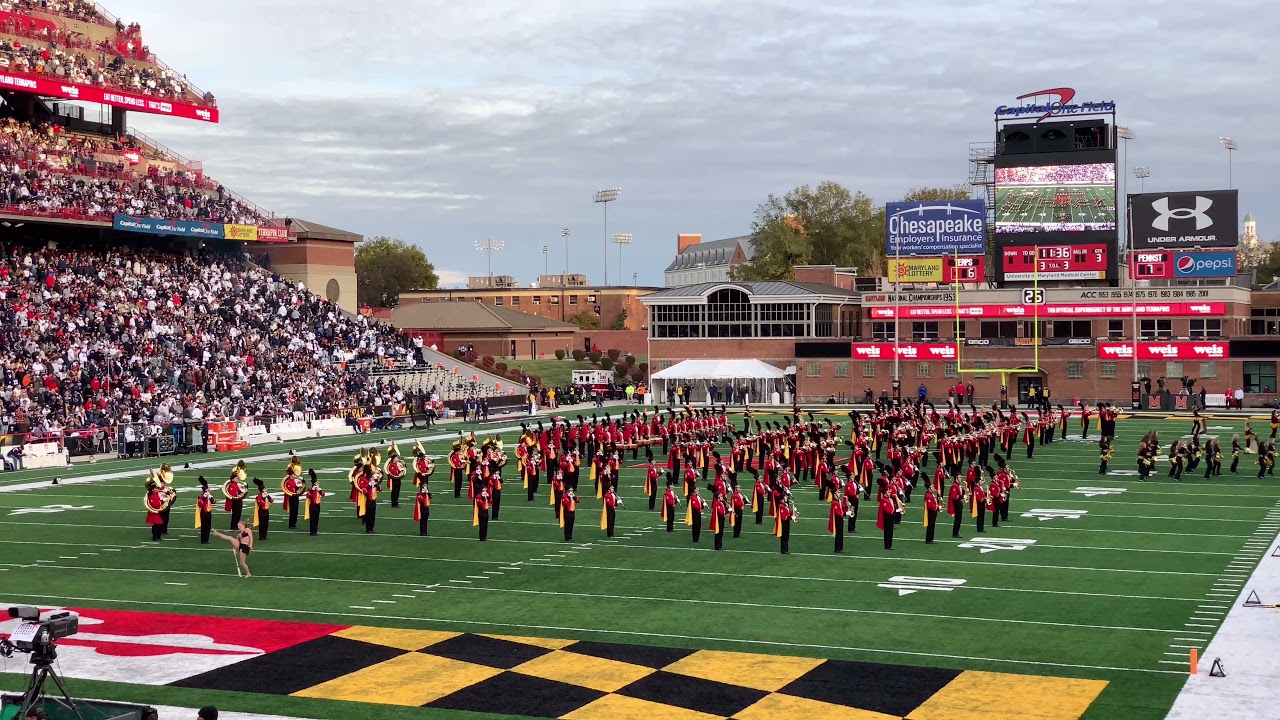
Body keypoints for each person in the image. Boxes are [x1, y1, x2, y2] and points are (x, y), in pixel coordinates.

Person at [305, 469, 326, 536]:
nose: (318, 484)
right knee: (312, 519)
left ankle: (315, 531)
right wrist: (312, 490)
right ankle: (312, 532)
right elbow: (307, 495)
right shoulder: (311, 490)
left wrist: (320, 491)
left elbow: (323, 494)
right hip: (312, 506)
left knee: (316, 519)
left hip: (317, 505)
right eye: (317, 483)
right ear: (314, 484)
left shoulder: (319, 490)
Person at [196, 476, 214, 544]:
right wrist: (204, 497)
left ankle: (207, 539)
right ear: (205, 491)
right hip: (204, 513)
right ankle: (203, 540)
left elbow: (214, 501)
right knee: (204, 527)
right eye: (207, 490)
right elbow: (200, 504)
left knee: (208, 527)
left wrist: (211, 497)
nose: (209, 491)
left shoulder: (209, 496)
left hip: (209, 512)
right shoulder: (201, 497)